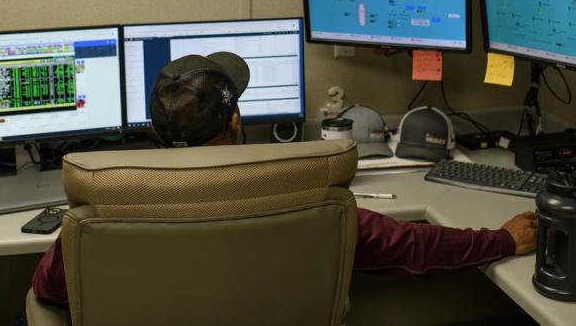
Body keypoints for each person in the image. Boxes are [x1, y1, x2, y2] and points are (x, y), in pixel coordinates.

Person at [32, 52, 537, 306]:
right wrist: (501, 239)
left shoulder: (109, 201)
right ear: (234, 123)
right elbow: (410, 246)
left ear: (156, 131)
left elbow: (52, 289)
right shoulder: (292, 186)